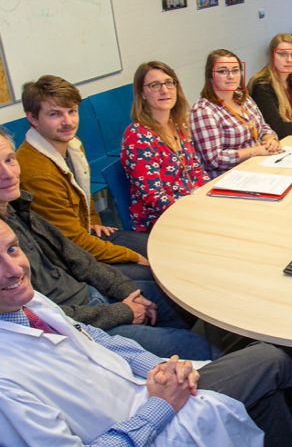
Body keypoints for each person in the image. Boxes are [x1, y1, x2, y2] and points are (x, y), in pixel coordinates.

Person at [0, 219, 292, 447]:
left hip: (147, 393)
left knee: (261, 383)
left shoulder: (27, 305)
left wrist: (156, 365)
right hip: (142, 446)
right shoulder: (5, 380)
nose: (14, 269)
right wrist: (161, 406)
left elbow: (97, 340)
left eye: (12, 249)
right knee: (271, 360)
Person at [0, 127, 212, 359]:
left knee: (182, 296)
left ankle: (159, 363)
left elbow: (78, 258)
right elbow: (42, 317)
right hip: (80, 325)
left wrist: (124, 289)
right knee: (200, 348)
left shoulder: (17, 208)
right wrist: (122, 312)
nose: (8, 174)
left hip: (91, 296)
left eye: (9, 160)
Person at [16, 75, 151, 281]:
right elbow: (71, 243)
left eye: (72, 111)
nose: (68, 122)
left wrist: (94, 220)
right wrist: (131, 256)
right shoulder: (37, 173)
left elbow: (82, 192)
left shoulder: (71, 144)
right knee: (155, 274)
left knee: (159, 248)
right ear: (33, 118)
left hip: (84, 234)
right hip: (67, 260)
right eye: (55, 114)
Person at [122, 61, 209, 232]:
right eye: (155, 85)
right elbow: (153, 197)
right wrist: (193, 212)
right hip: (160, 220)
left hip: (191, 206)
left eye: (169, 83)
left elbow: (196, 170)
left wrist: (210, 196)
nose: (164, 90)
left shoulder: (179, 124)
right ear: (142, 94)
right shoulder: (138, 136)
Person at [191, 49, 283, 178]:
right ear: (210, 77)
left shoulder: (244, 98)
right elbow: (214, 160)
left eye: (235, 70)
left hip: (259, 165)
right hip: (230, 177)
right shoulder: (203, 111)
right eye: (223, 71)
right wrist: (255, 151)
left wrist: (270, 140)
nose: (231, 76)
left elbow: (263, 127)